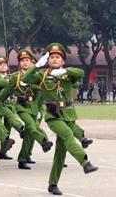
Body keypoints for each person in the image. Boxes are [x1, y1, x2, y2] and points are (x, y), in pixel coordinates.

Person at [22, 43, 98, 195]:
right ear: (47, 60)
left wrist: (65, 71)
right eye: (51, 57)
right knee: (69, 136)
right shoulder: (41, 76)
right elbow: (25, 78)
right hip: (54, 116)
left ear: (63, 61)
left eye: (58, 57)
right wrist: (37, 65)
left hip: (69, 114)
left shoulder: (67, 74)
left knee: (60, 152)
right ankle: (85, 162)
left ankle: (52, 183)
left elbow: (80, 73)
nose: (54, 59)